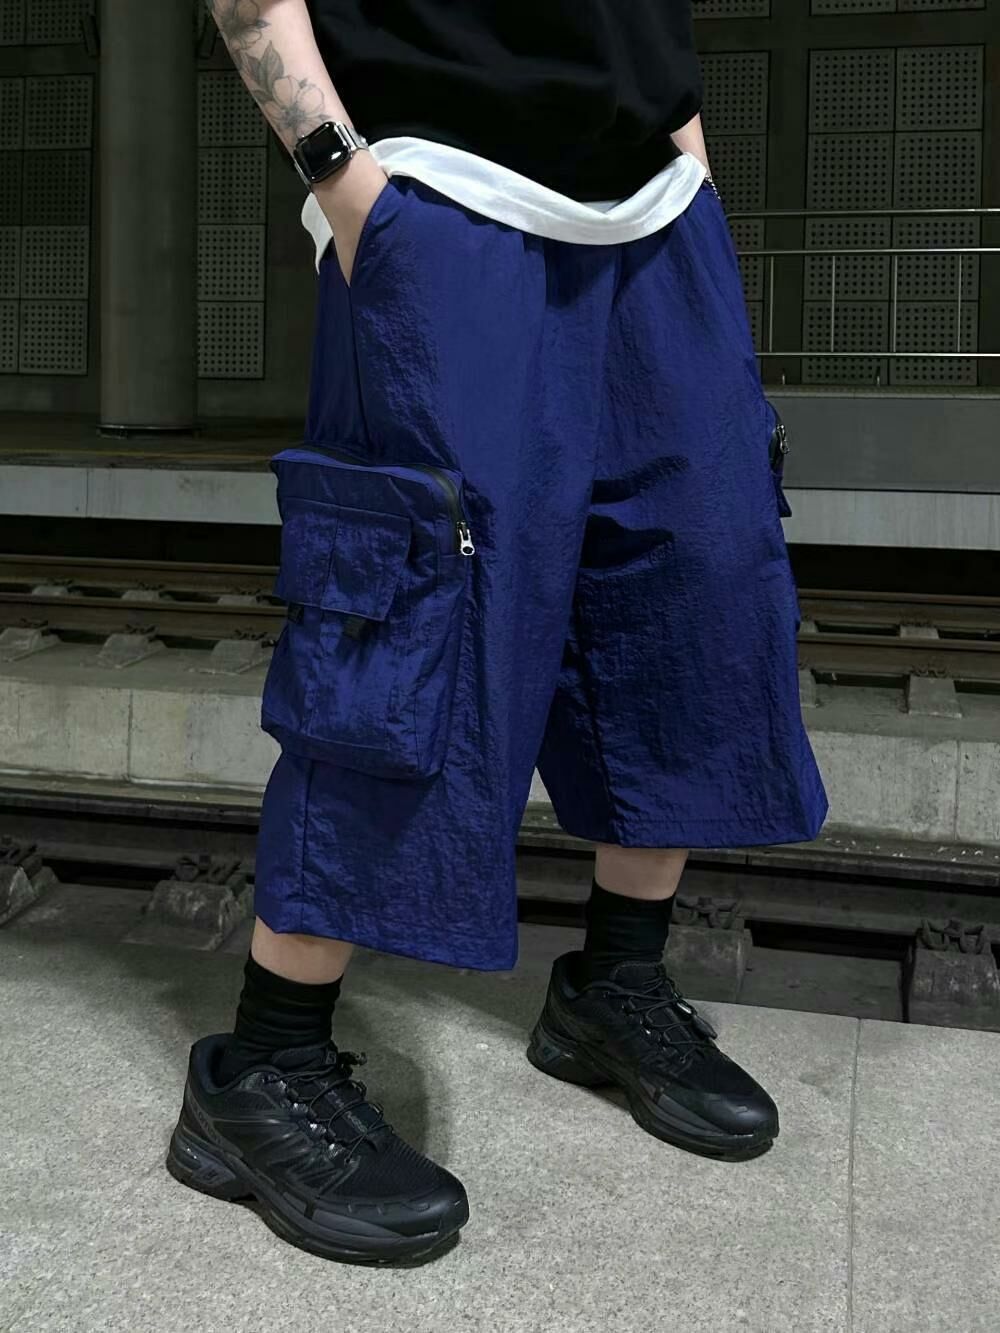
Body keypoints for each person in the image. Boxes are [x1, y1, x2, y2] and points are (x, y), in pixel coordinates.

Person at [168, 0, 828, 1266]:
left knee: (692, 587)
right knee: (419, 619)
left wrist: (690, 160)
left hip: (654, 212)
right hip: (442, 199)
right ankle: (264, 1065)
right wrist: (341, 177)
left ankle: (613, 985)